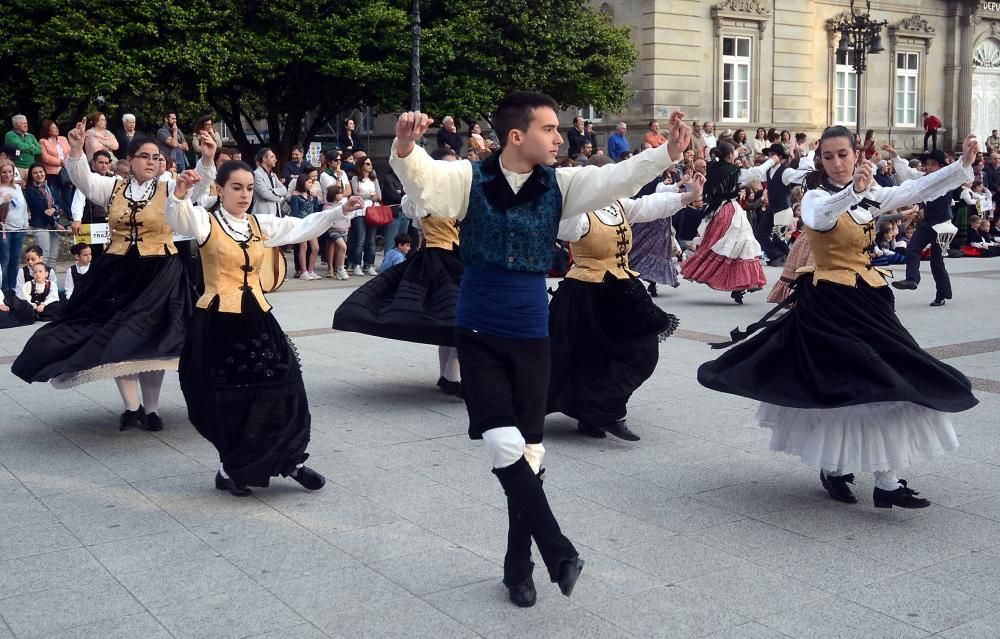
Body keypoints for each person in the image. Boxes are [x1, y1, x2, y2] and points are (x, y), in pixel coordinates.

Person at [388, 92, 690, 608]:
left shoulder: (563, 184)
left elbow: (617, 179)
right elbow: (426, 183)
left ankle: (517, 567)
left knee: (529, 451)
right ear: (516, 136)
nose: (561, 137)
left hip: (533, 334)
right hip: (479, 331)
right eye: (550, 129)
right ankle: (558, 549)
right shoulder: (468, 178)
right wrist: (404, 146)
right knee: (502, 445)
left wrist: (665, 154)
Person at [699, 127, 980, 509]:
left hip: (870, 300)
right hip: (829, 305)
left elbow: (914, 190)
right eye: (828, 156)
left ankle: (886, 480)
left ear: (854, 154)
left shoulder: (870, 192)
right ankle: (838, 471)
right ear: (820, 160)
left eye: (843, 154)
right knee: (843, 386)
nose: (836, 162)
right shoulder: (817, 197)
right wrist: (855, 191)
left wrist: (962, 164)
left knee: (890, 378)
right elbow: (823, 217)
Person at [166, 160, 363, 495]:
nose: (244, 194)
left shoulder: (260, 224)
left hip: (257, 316)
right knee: (230, 397)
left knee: (287, 384)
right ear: (220, 189)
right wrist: (181, 192)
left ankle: (292, 460)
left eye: (247, 188)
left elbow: (302, 227)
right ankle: (229, 468)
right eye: (236, 187)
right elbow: (179, 216)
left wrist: (337, 210)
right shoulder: (206, 223)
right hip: (219, 321)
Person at [11, 118, 214, 432]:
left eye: (157, 157)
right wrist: (76, 151)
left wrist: (208, 159)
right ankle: (131, 408)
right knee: (118, 339)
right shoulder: (114, 187)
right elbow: (84, 181)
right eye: (145, 156)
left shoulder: (169, 187)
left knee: (153, 344)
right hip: (118, 273)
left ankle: (151, 410)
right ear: (130, 161)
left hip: (160, 273)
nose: (152, 162)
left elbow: (199, 187)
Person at [549, 175, 704, 441]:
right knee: (584, 356)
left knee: (643, 350)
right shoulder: (579, 215)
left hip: (621, 286)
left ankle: (601, 409)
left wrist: (686, 197)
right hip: (586, 291)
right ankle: (595, 414)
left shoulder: (618, 205)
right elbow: (563, 228)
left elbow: (649, 205)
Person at [333, 147, 466, 398]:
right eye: (447, 165)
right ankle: (450, 376)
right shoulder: (423, 195)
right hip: (438, 259)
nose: (452, 171)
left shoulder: (461, 193)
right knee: (454, 318)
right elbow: (411, 209)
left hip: (459, 257)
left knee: (455, 318)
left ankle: (450, 376)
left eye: (455, 165)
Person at [680, 140, 776, 303]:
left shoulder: (712, 168)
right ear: (730, 155)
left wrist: (736, 150)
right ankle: (742, 283)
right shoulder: (733, 171)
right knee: (742, 245)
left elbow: (723, 160)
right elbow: (757, 172)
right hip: (731, 212)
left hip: (716, 211)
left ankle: (739, 285)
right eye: (733, 154)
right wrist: (773, 160)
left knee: (731, 247)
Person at [891, 148, 959, 306]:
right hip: (927, 223)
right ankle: (912, 279)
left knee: (936, 261)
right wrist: (895, 156)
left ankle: (942, 295)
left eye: (933, 164)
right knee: (912, 248)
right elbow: (908, 173)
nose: (929, 167)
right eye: (927, 164)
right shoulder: (924, 179)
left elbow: (959, 170)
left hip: (942, 225)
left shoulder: (947, 180)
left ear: (942, 166)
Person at [69, 150, 114, 258]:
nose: (104, 165)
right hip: (89, 222)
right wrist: (77, 219)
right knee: (88, 256)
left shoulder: (115, 180)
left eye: (106, 163)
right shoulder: (86, 179)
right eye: (101, 162)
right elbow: (79, 200)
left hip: (108, 224)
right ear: (93, 164)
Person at [23, 163, 65, 267]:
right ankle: (38, 280)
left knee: (53, 256)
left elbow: (59, 201)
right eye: (35, 173)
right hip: (41, 225)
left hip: (53, 224)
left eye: (41, 172)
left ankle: (50, 281)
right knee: (43, 256)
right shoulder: (30, 191)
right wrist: (56, 225)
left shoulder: (50, 187)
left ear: (45, 173)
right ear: (31, 175)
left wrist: (54, 208)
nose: (39, 175)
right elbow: (41, 210)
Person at [348, 155, 382, 276]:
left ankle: (370, 264)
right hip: (360, 211)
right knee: (360, 239)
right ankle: (357, 264)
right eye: (367, 164)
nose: (370, 166)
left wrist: (367, 194)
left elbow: (379, 196)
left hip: (373, 210)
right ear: (362, 166)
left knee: (371, 240)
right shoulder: (355, 179)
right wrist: (369, 195)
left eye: (371, 163)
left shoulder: (374, 179)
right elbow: (356, 194)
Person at [0, 159, 30, 291]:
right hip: (4, 230)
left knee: (15, 260)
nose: (7, 174)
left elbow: (23, 207)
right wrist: (2, 200)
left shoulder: (17, 187)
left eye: (10, 171)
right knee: (4, 261)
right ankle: (4, 289)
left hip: (20, 229)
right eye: (4, 172)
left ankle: (13, 288)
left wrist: (26, 224)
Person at [322, 184, 351, 279]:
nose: (342, 195)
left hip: (344, 230)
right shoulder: (327, 206)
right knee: (343, 246)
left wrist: (347, 224)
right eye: (339, 193)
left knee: (341, 250)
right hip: (334, 230)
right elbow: (328, 218)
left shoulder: (342, 205)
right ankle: (340, 269)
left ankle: (338, 269)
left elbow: (348, 215)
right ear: (333, 194)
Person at [251, 148, 287, 217]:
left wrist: (271, 190)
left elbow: (285, 190)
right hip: (262, 215)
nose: (275, 160)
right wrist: (280, 198)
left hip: (276, 214)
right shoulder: (256, 174)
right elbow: (265, 194)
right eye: (272, 157)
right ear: (264, 159)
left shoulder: (273, 175)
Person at [5, 115, 41, 182]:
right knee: (18, 189)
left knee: (31, 189)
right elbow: (19, 147)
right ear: (16, 125)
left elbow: (39, 150)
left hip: (31, 168)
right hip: (17, 168)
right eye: (23, 123)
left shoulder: (30, 136)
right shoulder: (10, 135)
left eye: (26, 123)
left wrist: (25, 148)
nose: (26, 125)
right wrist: (32, 146)